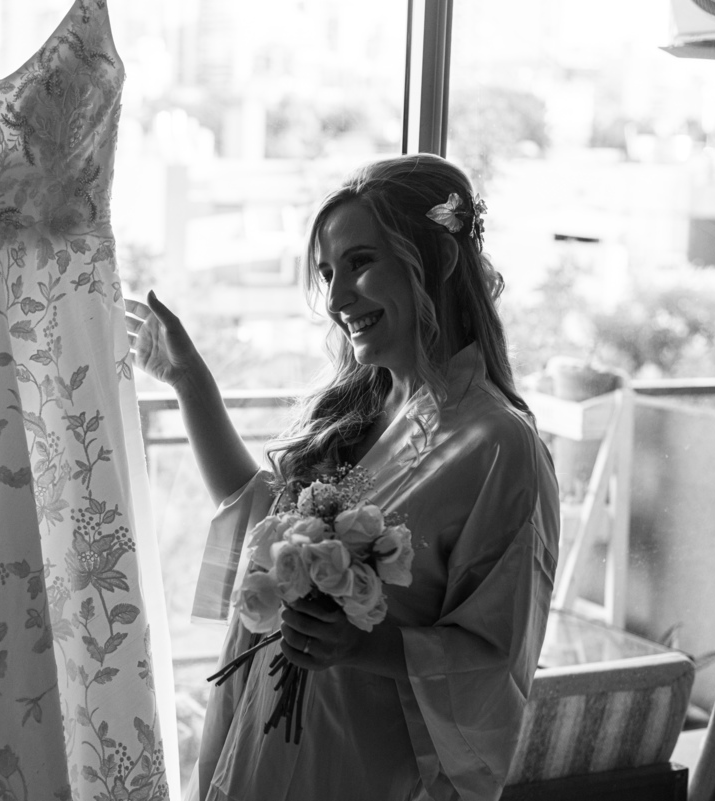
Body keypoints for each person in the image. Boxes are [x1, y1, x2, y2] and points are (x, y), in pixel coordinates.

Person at [124, 153, 559, 801]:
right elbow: (255, 518)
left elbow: (495, 660)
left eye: (360, 263)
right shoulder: (360, 411)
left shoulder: (499, 445)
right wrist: (189, 380)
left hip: (361, 766)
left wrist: (366, 643)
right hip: (259, 739)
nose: (335, 298)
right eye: (328, 272)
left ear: (436, 259)